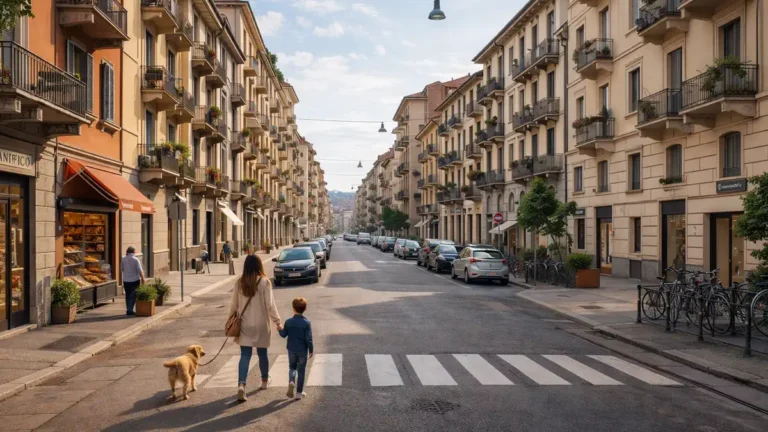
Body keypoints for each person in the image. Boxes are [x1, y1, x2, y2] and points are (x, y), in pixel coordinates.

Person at [230, 254, 282, 402]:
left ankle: (241, 384)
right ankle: (264, 381)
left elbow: (234, 305)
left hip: (245, 324)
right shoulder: (265, 282)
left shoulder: (239, 282)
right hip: (261, 324)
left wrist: (229, 321)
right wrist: (278, 322)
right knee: (262, 353)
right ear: (259, 265)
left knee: (245, 355)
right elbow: (270, 305)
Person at [279, 297, 314, 400]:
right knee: (301, 370)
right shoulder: (306, 323)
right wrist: (311, 350)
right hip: (302, 350)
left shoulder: (288, 322)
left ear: (293, 308)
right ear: (305, 309)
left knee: (292, 367)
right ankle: (299, 392)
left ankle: (291, 381)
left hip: (291, 349)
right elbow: (309, 339)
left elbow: (283, 334)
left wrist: (279, 328)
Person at [120, 246, 145, 316]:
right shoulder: (136, 259)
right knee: (133, 295)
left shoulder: (123, 259)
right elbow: (140, 270)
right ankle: (130, 310)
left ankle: (128, 308)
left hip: (126, 280)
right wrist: (143, 279)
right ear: (133, 251)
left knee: (127, 295)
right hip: (134, 280)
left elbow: (122, 268)